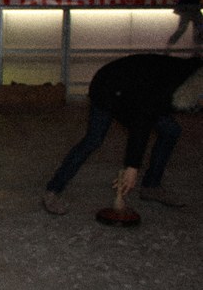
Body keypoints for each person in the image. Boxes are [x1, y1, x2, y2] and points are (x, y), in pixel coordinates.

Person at [43, 53, 202, 215]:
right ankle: (53, 190)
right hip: (107, 87)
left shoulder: (187, 82)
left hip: (136, 93)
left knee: (171, 131)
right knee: (93, 139)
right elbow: (142, 122)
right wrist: (132, 167)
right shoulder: (171, 85)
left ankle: (151, 187)